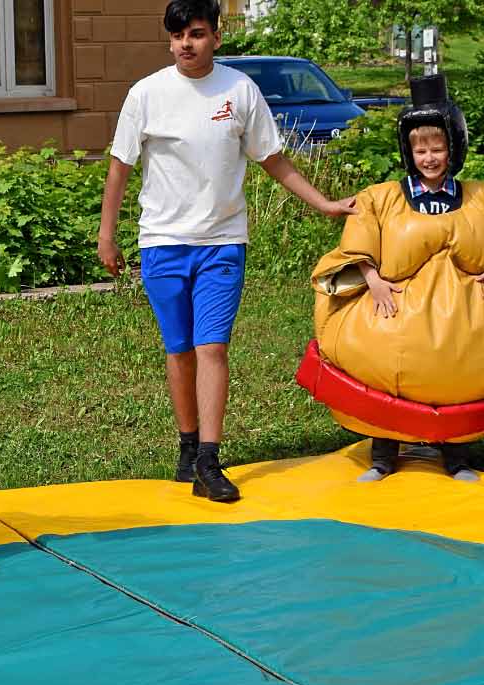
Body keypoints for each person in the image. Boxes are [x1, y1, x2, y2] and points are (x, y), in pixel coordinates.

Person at [97, 0, 357, 503]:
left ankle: (209, 460)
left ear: (216, 36)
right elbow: (120, 167)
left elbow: (274, 160)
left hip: (221, 243)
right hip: (163, 242)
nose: (185, 44)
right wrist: (107, 234)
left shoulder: (239, 90)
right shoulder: (146, 93)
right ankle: (187, 446)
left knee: (212, 347)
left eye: (196, 34)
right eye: (177, 36)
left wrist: (324, 203)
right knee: (179, 350)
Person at [302, 75, 484, 481]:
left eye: (437, 148)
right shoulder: (381, 197)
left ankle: (456, 457)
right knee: (380, 373)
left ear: (454, 147)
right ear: (409, 152)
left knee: (461, 376)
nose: (430, 158)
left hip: (468, 319)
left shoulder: (483, 196)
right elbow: (358, 239)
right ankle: (384, 455)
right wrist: (372, 278)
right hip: (392, 308)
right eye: (420, 150)